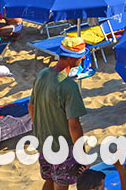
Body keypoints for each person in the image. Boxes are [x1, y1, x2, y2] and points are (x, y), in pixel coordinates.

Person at [29, 36, 89, 190]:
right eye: (80, 55)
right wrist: (81, 154)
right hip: (62, 147)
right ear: (70, 58)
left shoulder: (42, 74)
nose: (83, 57)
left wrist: (41, 129)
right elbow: (74, 125)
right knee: (61, 185)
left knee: (48, 179)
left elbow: (31, 107)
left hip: (43, 142)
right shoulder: (69, 86)